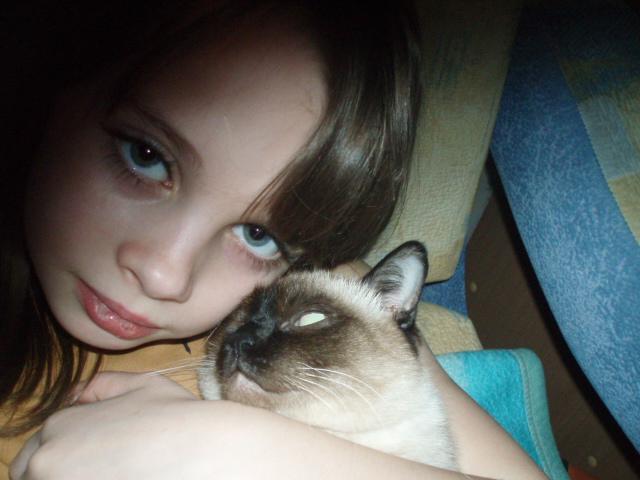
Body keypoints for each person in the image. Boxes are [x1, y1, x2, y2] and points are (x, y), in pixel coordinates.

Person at [1, 1, 546, 478]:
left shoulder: (317, 282)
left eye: (259, 235)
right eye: (145, 156)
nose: (165, 275)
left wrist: (244, 450)